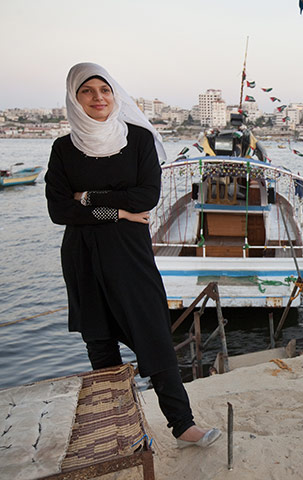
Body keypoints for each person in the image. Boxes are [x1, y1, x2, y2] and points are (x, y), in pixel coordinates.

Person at [45, 62, 221, 449]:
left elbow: (148, 197)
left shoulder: (138, 140)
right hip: (83, 257)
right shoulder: (63, 149)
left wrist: (88, 198)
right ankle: (120, 431)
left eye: (104, 90)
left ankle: (183, 425)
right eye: (87, 91)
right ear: (74, 98)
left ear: (115, 95)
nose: (98, 98)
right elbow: (59, 210)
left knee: (153, 334)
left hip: (130, 254)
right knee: (100, 342)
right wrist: (119, 212)